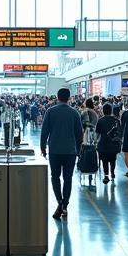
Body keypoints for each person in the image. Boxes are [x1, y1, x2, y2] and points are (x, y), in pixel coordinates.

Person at [40, 88, 84, 220]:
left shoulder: (50, 111)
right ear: (69, 98)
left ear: (57, 97)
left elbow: (44, 131)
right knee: (68, 178)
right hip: (70, 151)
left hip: (54, 150)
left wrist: (43, 147)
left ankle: (60, 203)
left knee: (55, 177)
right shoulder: (74, 113)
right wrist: (78, 149)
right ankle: (65, 205)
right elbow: (79, 134)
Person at [95, 102, 121, 183]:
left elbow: (97, 134)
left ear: (103, 111)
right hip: (114, 144)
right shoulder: (116, 120)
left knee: (104, 161)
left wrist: (95, 142)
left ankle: (106, 175)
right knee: (113, 160)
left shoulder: (100, 121)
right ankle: (112, 172)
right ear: (111, 111)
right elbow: (120, 132)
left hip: (103, 144)